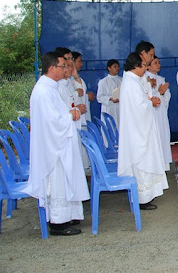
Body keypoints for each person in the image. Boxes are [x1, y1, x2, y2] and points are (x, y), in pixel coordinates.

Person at [24, 51, 89, 236]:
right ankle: (58, 223)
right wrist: (70, 116)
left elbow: (57, 116)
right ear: (52, 68)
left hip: (58, 144)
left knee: (65, 181)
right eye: (62, 66)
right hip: (53, 148)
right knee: (58, 183)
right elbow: (52, 122)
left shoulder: (50, 88)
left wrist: (70, 114)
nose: (65, 69)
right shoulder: (43, 91)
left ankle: (66, 217)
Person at [118, 53, 168, 210]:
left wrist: (150, 99)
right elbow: (138, 107)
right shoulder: (130, 83)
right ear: (136, 66)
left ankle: (146, 196)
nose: (145, 69)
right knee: (141, 163)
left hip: (139, 128)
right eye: (144, 66)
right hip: (137, 132)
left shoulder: (133, 80)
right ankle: (142, 199)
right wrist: (150, 102)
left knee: (145, 161)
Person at [146, 56, 172, 169]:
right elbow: (146, 97)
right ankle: (155, 166)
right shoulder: (145, 79)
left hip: (161, 113)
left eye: (159, 63)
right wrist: (159, 93)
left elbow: (167, 95)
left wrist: (163, 94)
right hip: (152, 114)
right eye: (155, 63)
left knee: (163, 136)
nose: (158, 65)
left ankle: (164, 165)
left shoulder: (161, 79)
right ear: (148, 66)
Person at [97, 59, 122, 127]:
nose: (117, 68)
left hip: (119, 108)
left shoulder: (122, 80)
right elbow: (99, 97)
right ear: (109, 68)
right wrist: (110, 98)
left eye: (118, 66)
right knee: (110, 126)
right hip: (109, 108)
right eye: (114, 67)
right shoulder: (103, 82)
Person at [72, 51, 95, 125]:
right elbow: (73, 96)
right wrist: (86, 96)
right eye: (79, 61)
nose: (81, 64)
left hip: (82, 115)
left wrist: (86, 96)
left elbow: (81, 93)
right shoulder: (67, 81)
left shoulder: (76, 78)